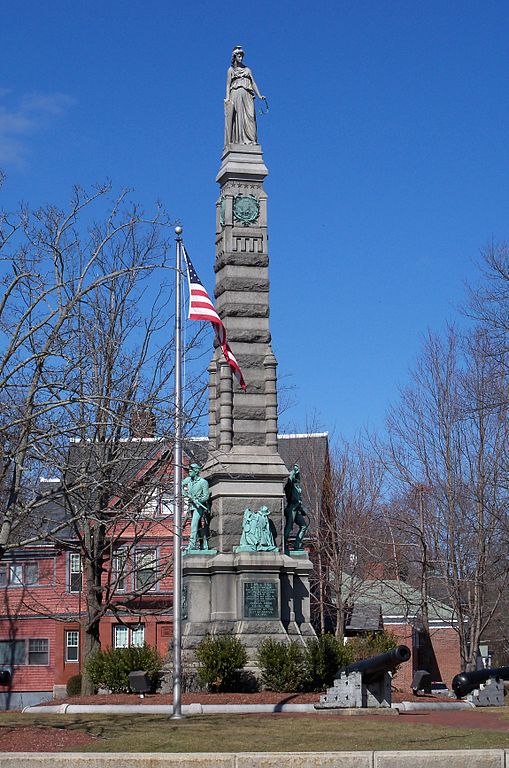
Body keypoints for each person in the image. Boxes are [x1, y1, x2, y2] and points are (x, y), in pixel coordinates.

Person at [224, 45, 266, 145]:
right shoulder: (231, 70)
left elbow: (253, 83)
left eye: (242, 56)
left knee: (250, 117)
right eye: (239, 56)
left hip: (248, 94)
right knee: (239, 118)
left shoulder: (247, 69)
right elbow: (228, 84)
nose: (241, 58)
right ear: (234, 57)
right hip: (236, 93)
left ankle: (252, 140)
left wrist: (259, 95)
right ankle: (239, 141)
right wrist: (228, 98)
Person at [182, 464, 210, 552]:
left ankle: (191, 545)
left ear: (196, 471)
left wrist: (198, 499)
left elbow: (206, 496)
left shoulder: (203, 482)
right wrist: (185, 494)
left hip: (199, 507)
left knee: (193, 525)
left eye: (191, 471)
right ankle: (203, 544)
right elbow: (179, 485)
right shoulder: (188, 480)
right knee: (198, 526)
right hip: (192, 507)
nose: (189, 472)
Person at [283, 464, 309, 554]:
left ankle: (297, 545)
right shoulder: (289, 488)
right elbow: (290, 479)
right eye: (296, 478)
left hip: (297, 510)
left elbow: (299, 501)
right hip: (291, 509)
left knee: (304, 526)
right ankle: (283, 544)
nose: (297, 480)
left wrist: (302, 510)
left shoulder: (298, 488)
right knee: (289, 527)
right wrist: (294, 471)